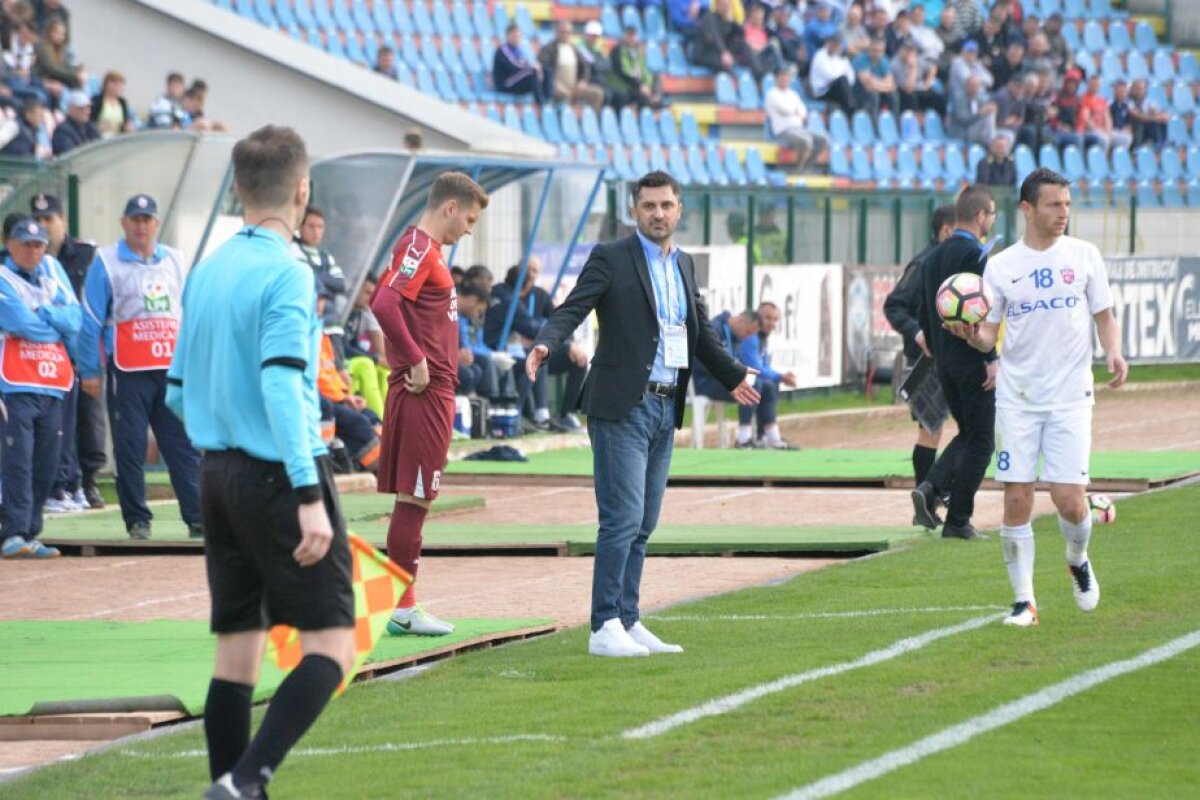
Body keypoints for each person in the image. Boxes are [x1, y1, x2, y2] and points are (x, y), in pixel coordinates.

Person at [164, 125, 355, 800]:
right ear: (302, 190)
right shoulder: (289, 270)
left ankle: (234, 787)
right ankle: (245, 782)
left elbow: (176, 390)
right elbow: (280, 385)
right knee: (333, 646)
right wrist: (308, 493)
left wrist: (221, 435)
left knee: (237, 652)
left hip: (216, 473)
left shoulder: (207, 269)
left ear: (239, 190)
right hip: (279, 473)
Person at [526, 171, 760, 657]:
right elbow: (572, 308)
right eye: (649, 205)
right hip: (621, 406)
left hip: (665, 405)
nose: (658, 213)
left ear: (679, 210)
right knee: (622, 518)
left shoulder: (684, 263)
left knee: (645, 521)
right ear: (634, 210)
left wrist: (734, 373)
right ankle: (603, 625)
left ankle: (628, 619)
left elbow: (699, 334)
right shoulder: (610, 257)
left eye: (666, 205)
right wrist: (547, 343)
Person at [949, 168, 1128, 628]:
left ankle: (1078, 558)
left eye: (1067, 204)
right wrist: (970, 334)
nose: (1063, 212)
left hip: (1071, 397)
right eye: (1054, 204)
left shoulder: (1084, 256)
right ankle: (1024, 602)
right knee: (1016, 499)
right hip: (1017, 399)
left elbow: (1104, 316)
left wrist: (1113, 351)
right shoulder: (1001, 266)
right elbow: (988, 335)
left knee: (1070, 501)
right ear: (1027, 208)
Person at [370, 172, 489, 637]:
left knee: (416, 497)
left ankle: (403, 605)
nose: (470, 229)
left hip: (435, 389)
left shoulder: (426, 250)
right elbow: (383, 303)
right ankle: (403, 608)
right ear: (449, 208)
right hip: (426, 390)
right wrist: (415, 359)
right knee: (415, 498)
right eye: (470, 219)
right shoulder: (419, 247)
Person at [78, 194, 202, 540]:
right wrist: (90, 370)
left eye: (147, 219)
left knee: (181, 445)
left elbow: (188, 314)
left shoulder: (175, 260)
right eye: (135, 219)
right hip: (128, 371)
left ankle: (197, 517)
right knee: (130, 448)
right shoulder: (106, 262)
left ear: (156, 224)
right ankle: (137, 520)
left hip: (169, 370)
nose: (140, 226)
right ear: (124, 222)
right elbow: (90, 319)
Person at [911, 185, 999, 541]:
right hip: (972, 358)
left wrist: (935, 348)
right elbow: (981, 309)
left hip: (944, 362)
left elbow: (923, 308)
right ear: (981, 215)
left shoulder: (933, 257)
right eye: (992, 214)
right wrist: (989, 357)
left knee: (969, 434)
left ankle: (932, 489)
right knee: (982, 441)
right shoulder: (977, 256)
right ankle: (957, 519)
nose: (992, 220)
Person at [0, 218, 78, 559]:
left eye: (38, 245)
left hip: (52, 382)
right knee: (18, 459)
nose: (32, 251)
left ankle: (30, 532)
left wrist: (46, 315)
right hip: (14, 383)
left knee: (47, 461)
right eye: (25, 244)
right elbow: (21, 323)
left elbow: (75, 320)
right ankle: (13, 532)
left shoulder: (51, 276)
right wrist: (55, 325)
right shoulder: (3, 278)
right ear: (9, 244)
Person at [883, 203, 955, 522]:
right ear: (946, 230)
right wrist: (918, 333)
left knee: (961, 430)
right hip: (927, 362)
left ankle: (934, 493)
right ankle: (926, 500)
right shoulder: (925, 263)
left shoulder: (959, 262)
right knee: (931, 431)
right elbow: (894, 305)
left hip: (955, 357)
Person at [32, 192, 103, 511]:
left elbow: (91, 307)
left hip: (80, 349)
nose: (43, 225)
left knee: (88, 418)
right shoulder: (23, 258)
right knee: (52, 422)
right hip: (43, 354)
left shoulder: (87, 254)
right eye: (37, 219)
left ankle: (88, 482)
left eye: (49, 218)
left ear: (63, 220)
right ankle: (59, 485)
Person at [692, 308, 761, 446]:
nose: (746, 337)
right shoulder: (714, 329)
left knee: (762, 384)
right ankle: (744, 439)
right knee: (752, 386)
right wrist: (730, 374)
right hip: (702, 381)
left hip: (720, 379)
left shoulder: (736, 337)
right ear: (741, 319)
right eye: (747, 332)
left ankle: (766, 435)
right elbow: (702, 362)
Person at [736, 301, 799, 449]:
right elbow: (755, 368)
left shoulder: (762, 338)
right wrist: (781, 376)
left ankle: (767, 436)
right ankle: (744, 438)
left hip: (742, 379)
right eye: (767, 318)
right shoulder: (751, 336)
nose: (771, 323)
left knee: (770, 384)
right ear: (758, 318)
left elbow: (764, 367)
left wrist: (780, 377)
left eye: (775, 319)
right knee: (756, 383)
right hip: (730, 381)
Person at [291, 206, 347, 343]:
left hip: (332, 326)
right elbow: (303, 277)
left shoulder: (325, 256)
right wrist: (326, 283)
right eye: (311, 226)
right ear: (300, 227)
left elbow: (341, 284)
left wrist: (315, 276)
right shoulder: (293, 249)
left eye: (320, 227)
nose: (316, 232)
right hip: (309, 325)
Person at [764, 66, 829, 170]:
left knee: (822, 140)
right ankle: (798, 168)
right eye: (781, 77)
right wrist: (795, 111)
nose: (784, 79)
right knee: (805, 141)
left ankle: (806, 167)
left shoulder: (793, 94)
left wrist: (796, 111)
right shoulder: (772, 94)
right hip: (783, 132)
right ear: (776, 78)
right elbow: (785, 109)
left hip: (799, 129)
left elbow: (803, 110)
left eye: (786, 77)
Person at [538, 20, 605, 112]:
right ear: (556, 32)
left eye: (568, 33)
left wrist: (583, 80)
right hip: (556, 87)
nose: (565, 35)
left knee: (597, 93)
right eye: (562, 32)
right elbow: (544, 68)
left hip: (574, 87)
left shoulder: (574, 49)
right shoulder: (548, 49)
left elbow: (585, 67)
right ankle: (565, 119)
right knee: (564, 96)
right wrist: (553, 83)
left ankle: (592, 119)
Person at [610, 24, 664, 109]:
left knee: (656, 77)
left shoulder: (637, 51)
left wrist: (647, 84)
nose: (631, 38)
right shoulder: (617, 50)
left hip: (637, 82)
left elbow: (644, 69)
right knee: (641, 96)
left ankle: (656, 99)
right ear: (624, 36)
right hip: (625, 83)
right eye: (629, 35)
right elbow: (623, 72)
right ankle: (651, 105)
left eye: (633, 35)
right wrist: (640, 85)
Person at [493, 24, 544, 104]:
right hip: (505, 84)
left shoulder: (519, 51)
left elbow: (525, 65)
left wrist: (538, 69)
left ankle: (547, 100)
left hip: (516, 82)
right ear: (507, 36)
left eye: (519, 37)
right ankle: (540, 103)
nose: (517, 39)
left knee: (545, 71)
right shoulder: (503, 50)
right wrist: (533, 67)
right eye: (514, 36)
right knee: (533, 72)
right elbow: (514, 67)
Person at [809, 35, 856, 115]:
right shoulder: (820, 56)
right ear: (828, 44)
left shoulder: (842, 57)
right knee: (842, 80)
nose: (836, 47)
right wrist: (842, 75)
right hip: (823, 91)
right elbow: (830, 76)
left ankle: (852, 111)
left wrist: (843, 77)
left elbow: (851, 77)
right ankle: (851, 109)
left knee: (846, 83)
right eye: (834, 44)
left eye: (838, 44)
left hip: (839, 88)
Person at [50, 89, 99, 155]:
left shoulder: (91, 127)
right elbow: (71, 155)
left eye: (88, 107)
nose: (87, 111)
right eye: (81, 108)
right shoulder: (62, 131)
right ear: (71, 109)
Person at [90, 70, 135, 137]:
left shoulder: (122, 102)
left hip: (118, 138)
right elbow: (89, 121)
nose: (117, 87)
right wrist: (98, 126)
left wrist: (127, 127)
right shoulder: (97, 100)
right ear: (106, 85)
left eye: (120, 85)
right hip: (100, 136)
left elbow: (125, 122)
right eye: (114, 84)